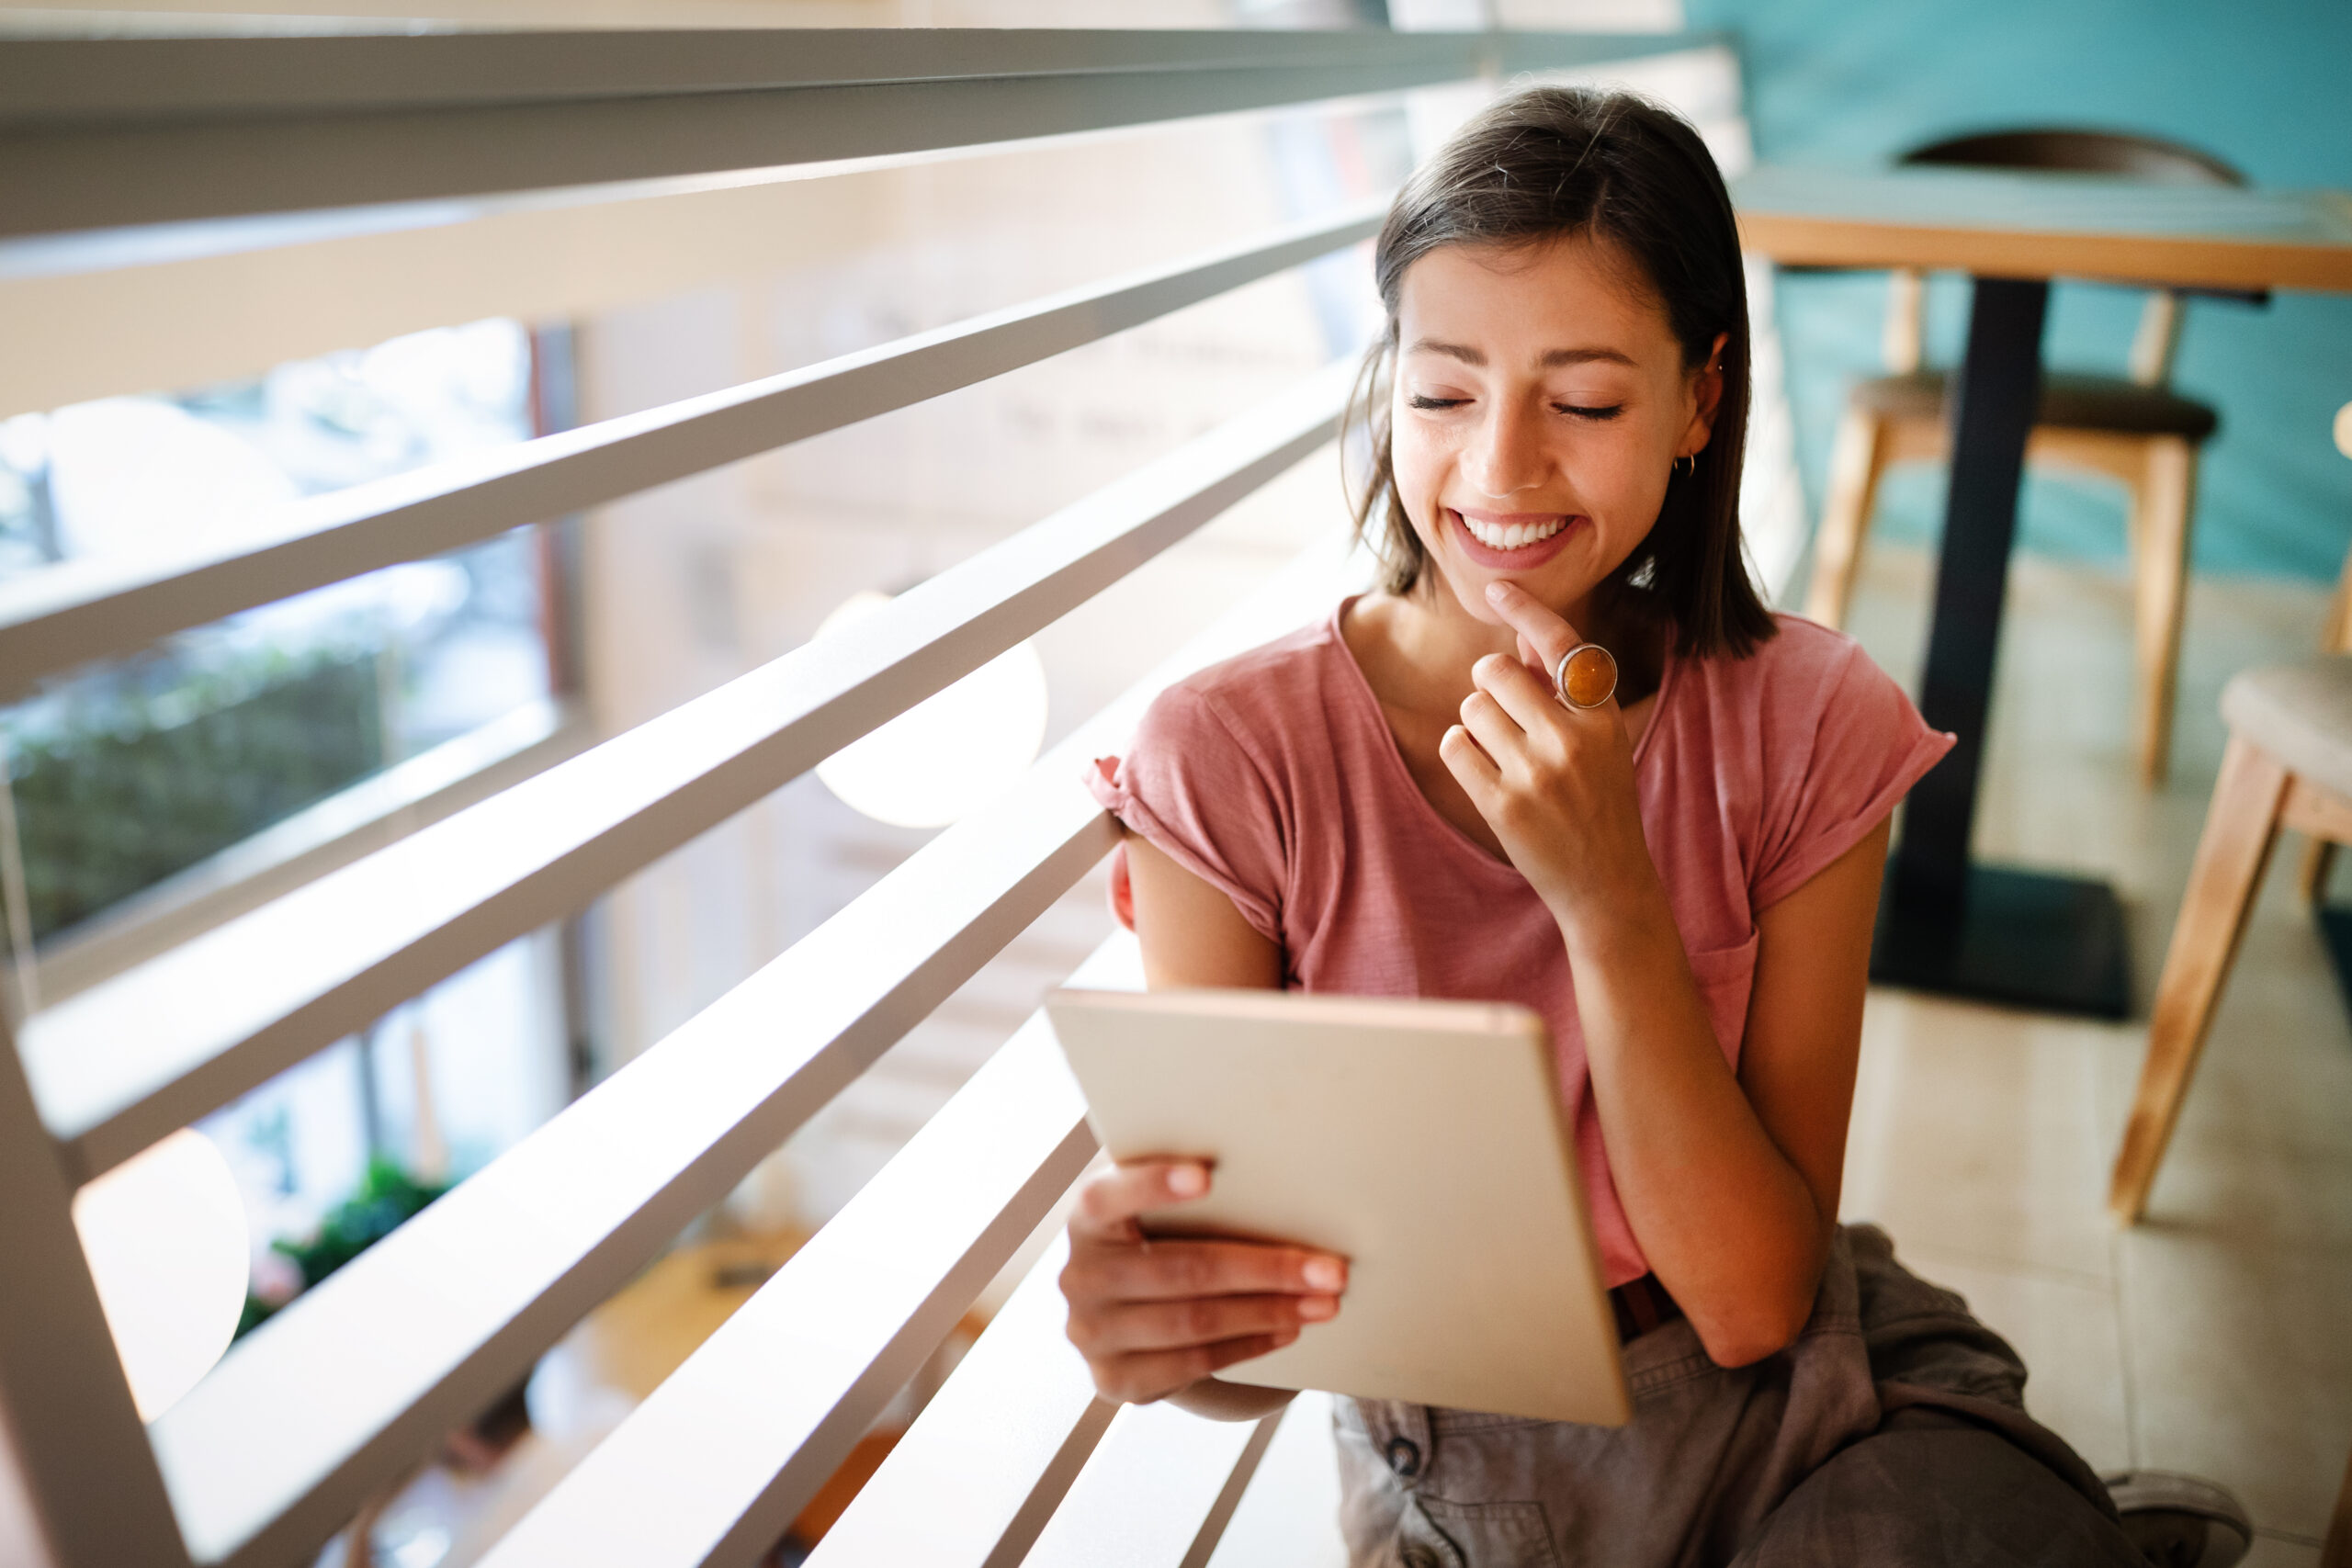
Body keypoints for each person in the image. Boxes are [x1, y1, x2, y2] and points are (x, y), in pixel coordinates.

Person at [1059, 85, 2250, 1568]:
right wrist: (1163, 1341)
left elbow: (1757, 1305)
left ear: (1699, 399)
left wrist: (1611, 901)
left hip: (1815, 1399)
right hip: (1455, 1471)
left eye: (1585, 401)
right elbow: (1249, 1335)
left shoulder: (1811, 721)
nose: (1498, 470)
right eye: (1441, 393)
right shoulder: (1230, 759)